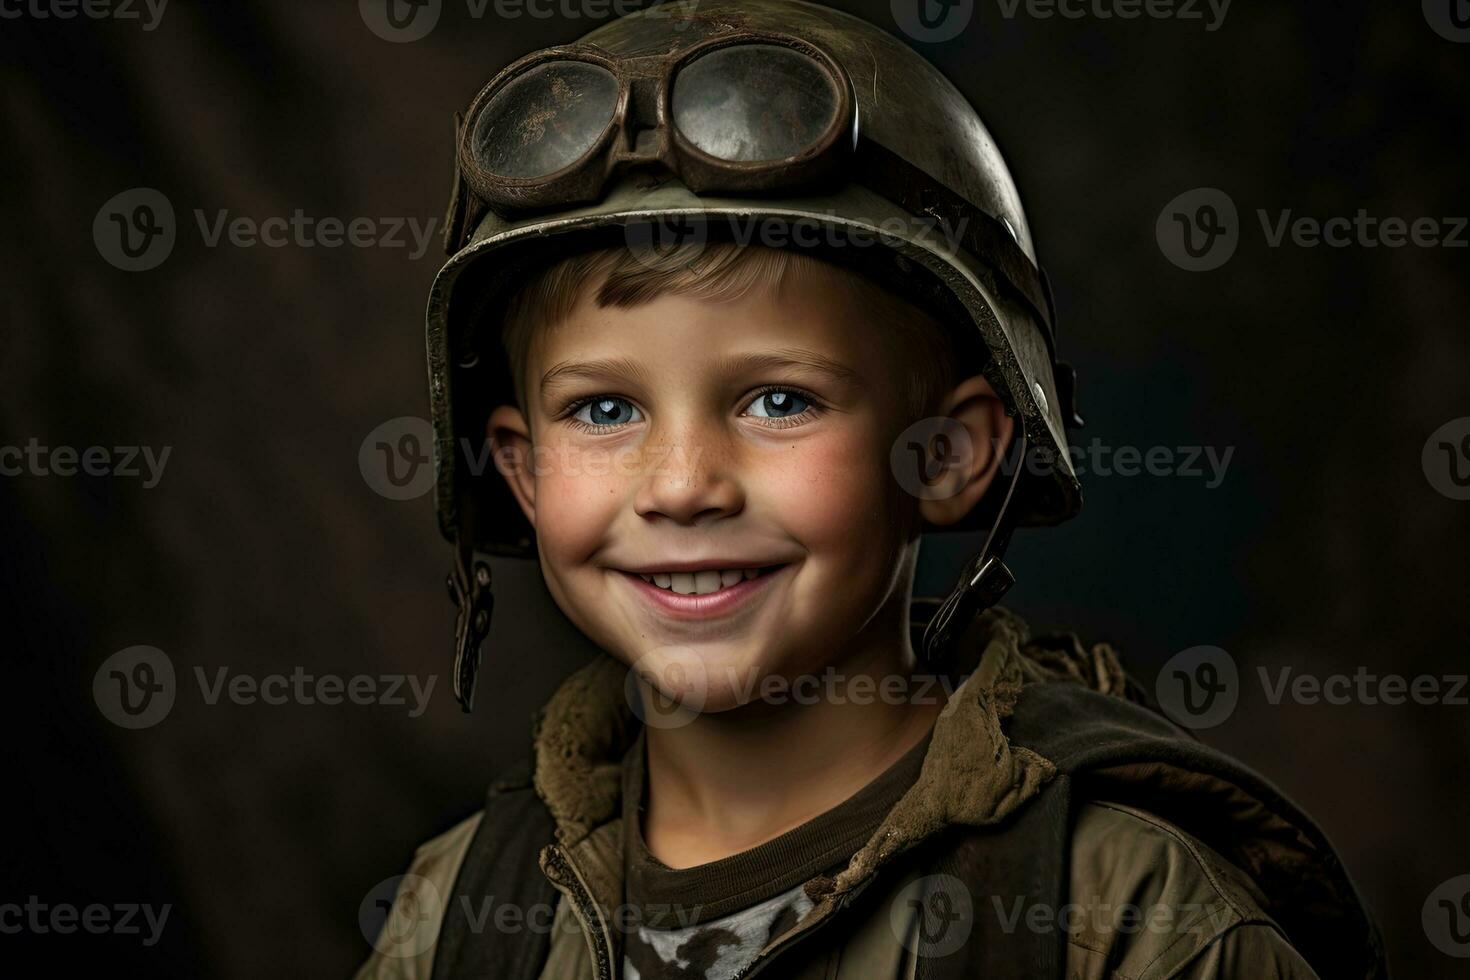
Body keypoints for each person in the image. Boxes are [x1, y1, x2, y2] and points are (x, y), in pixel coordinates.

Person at [357, 1, 1384, 977]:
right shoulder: (461, 913)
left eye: (778, 400)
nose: (681, 485)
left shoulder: (1120, 915)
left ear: (946, 453)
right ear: (522, 469)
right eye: (604, 410)